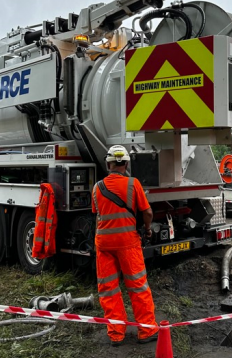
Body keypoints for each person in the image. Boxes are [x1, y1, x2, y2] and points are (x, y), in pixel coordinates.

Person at [92, 145, 158, 347]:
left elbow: (97, 215)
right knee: (137, 286)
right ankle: (146, 331)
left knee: (108, 289)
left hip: (104, 244)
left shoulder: (97, 188)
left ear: (108, 164)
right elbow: (147, 212)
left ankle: (116, 334)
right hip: (128, 243)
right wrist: (147, 229)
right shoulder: (133, 184)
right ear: (127, 164)